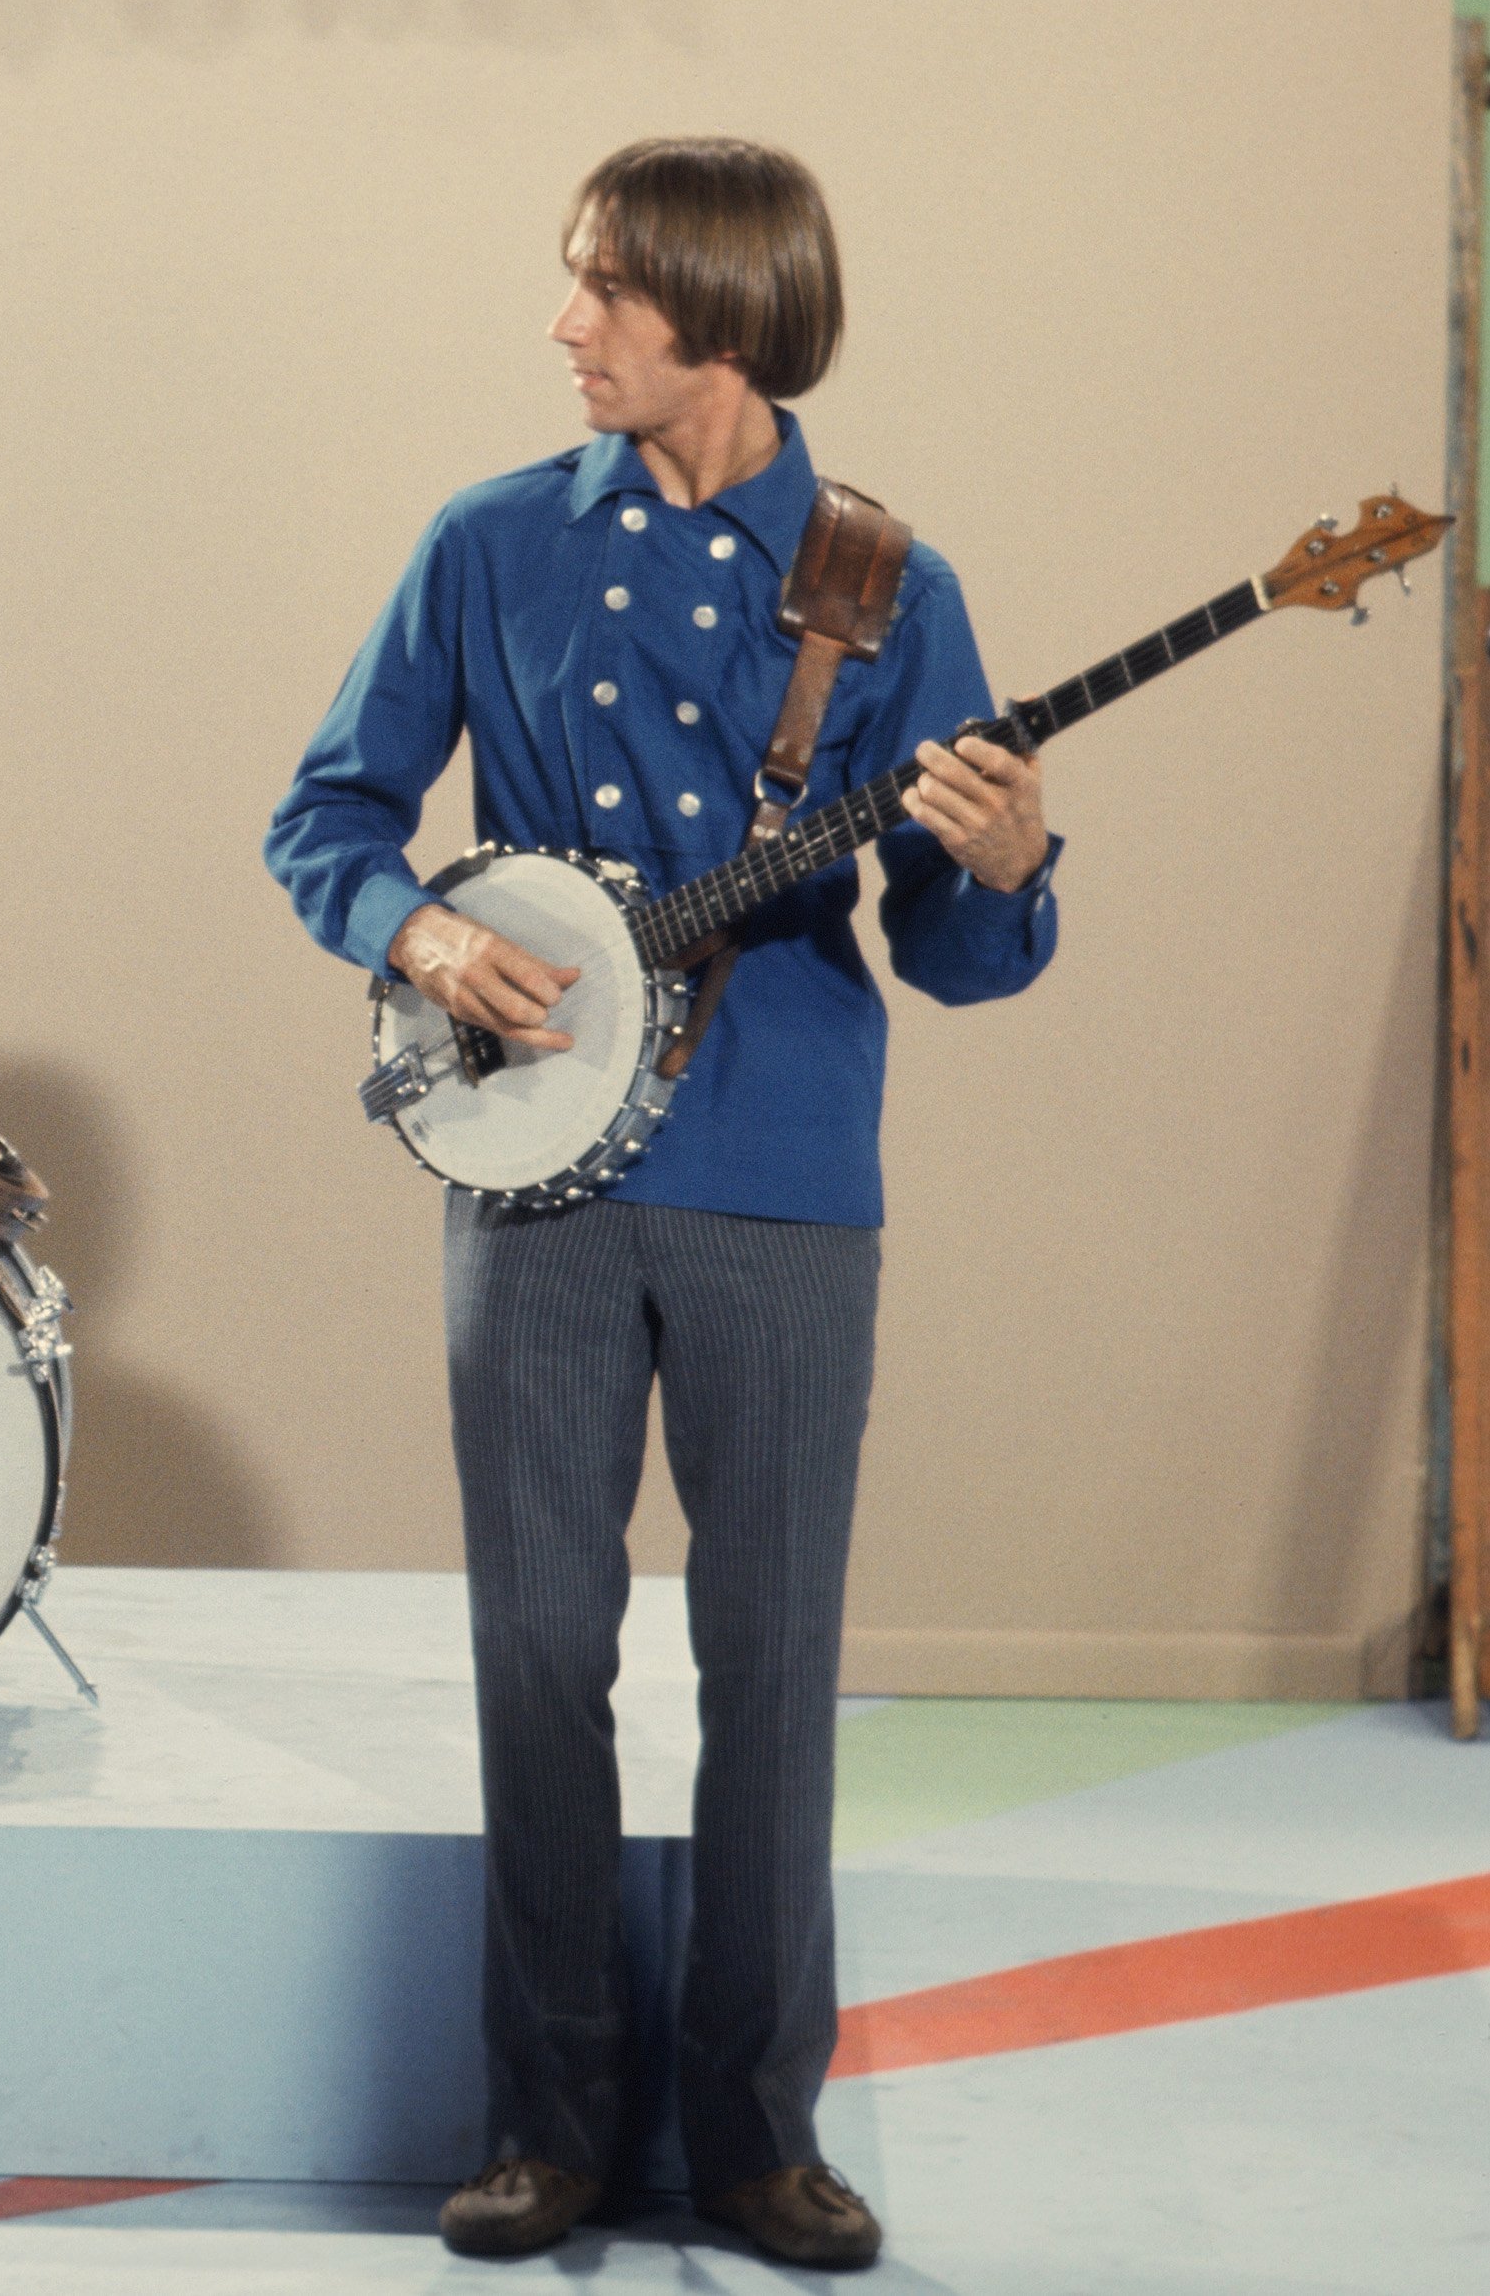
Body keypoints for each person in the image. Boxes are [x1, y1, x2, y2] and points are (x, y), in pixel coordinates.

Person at [263, 137, 1059, 2271]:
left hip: (781, 1174)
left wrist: (1008, 872)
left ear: (719, 309)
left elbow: (961, 956)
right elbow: (326, 811)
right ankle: (545, 2120)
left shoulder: (887, 584)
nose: (564, 324)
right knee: (535, 1647)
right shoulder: (488, 540)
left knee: (772, 1659)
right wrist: (422, 938)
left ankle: (755, 2132)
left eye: (602, 288)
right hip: (526, 1171)